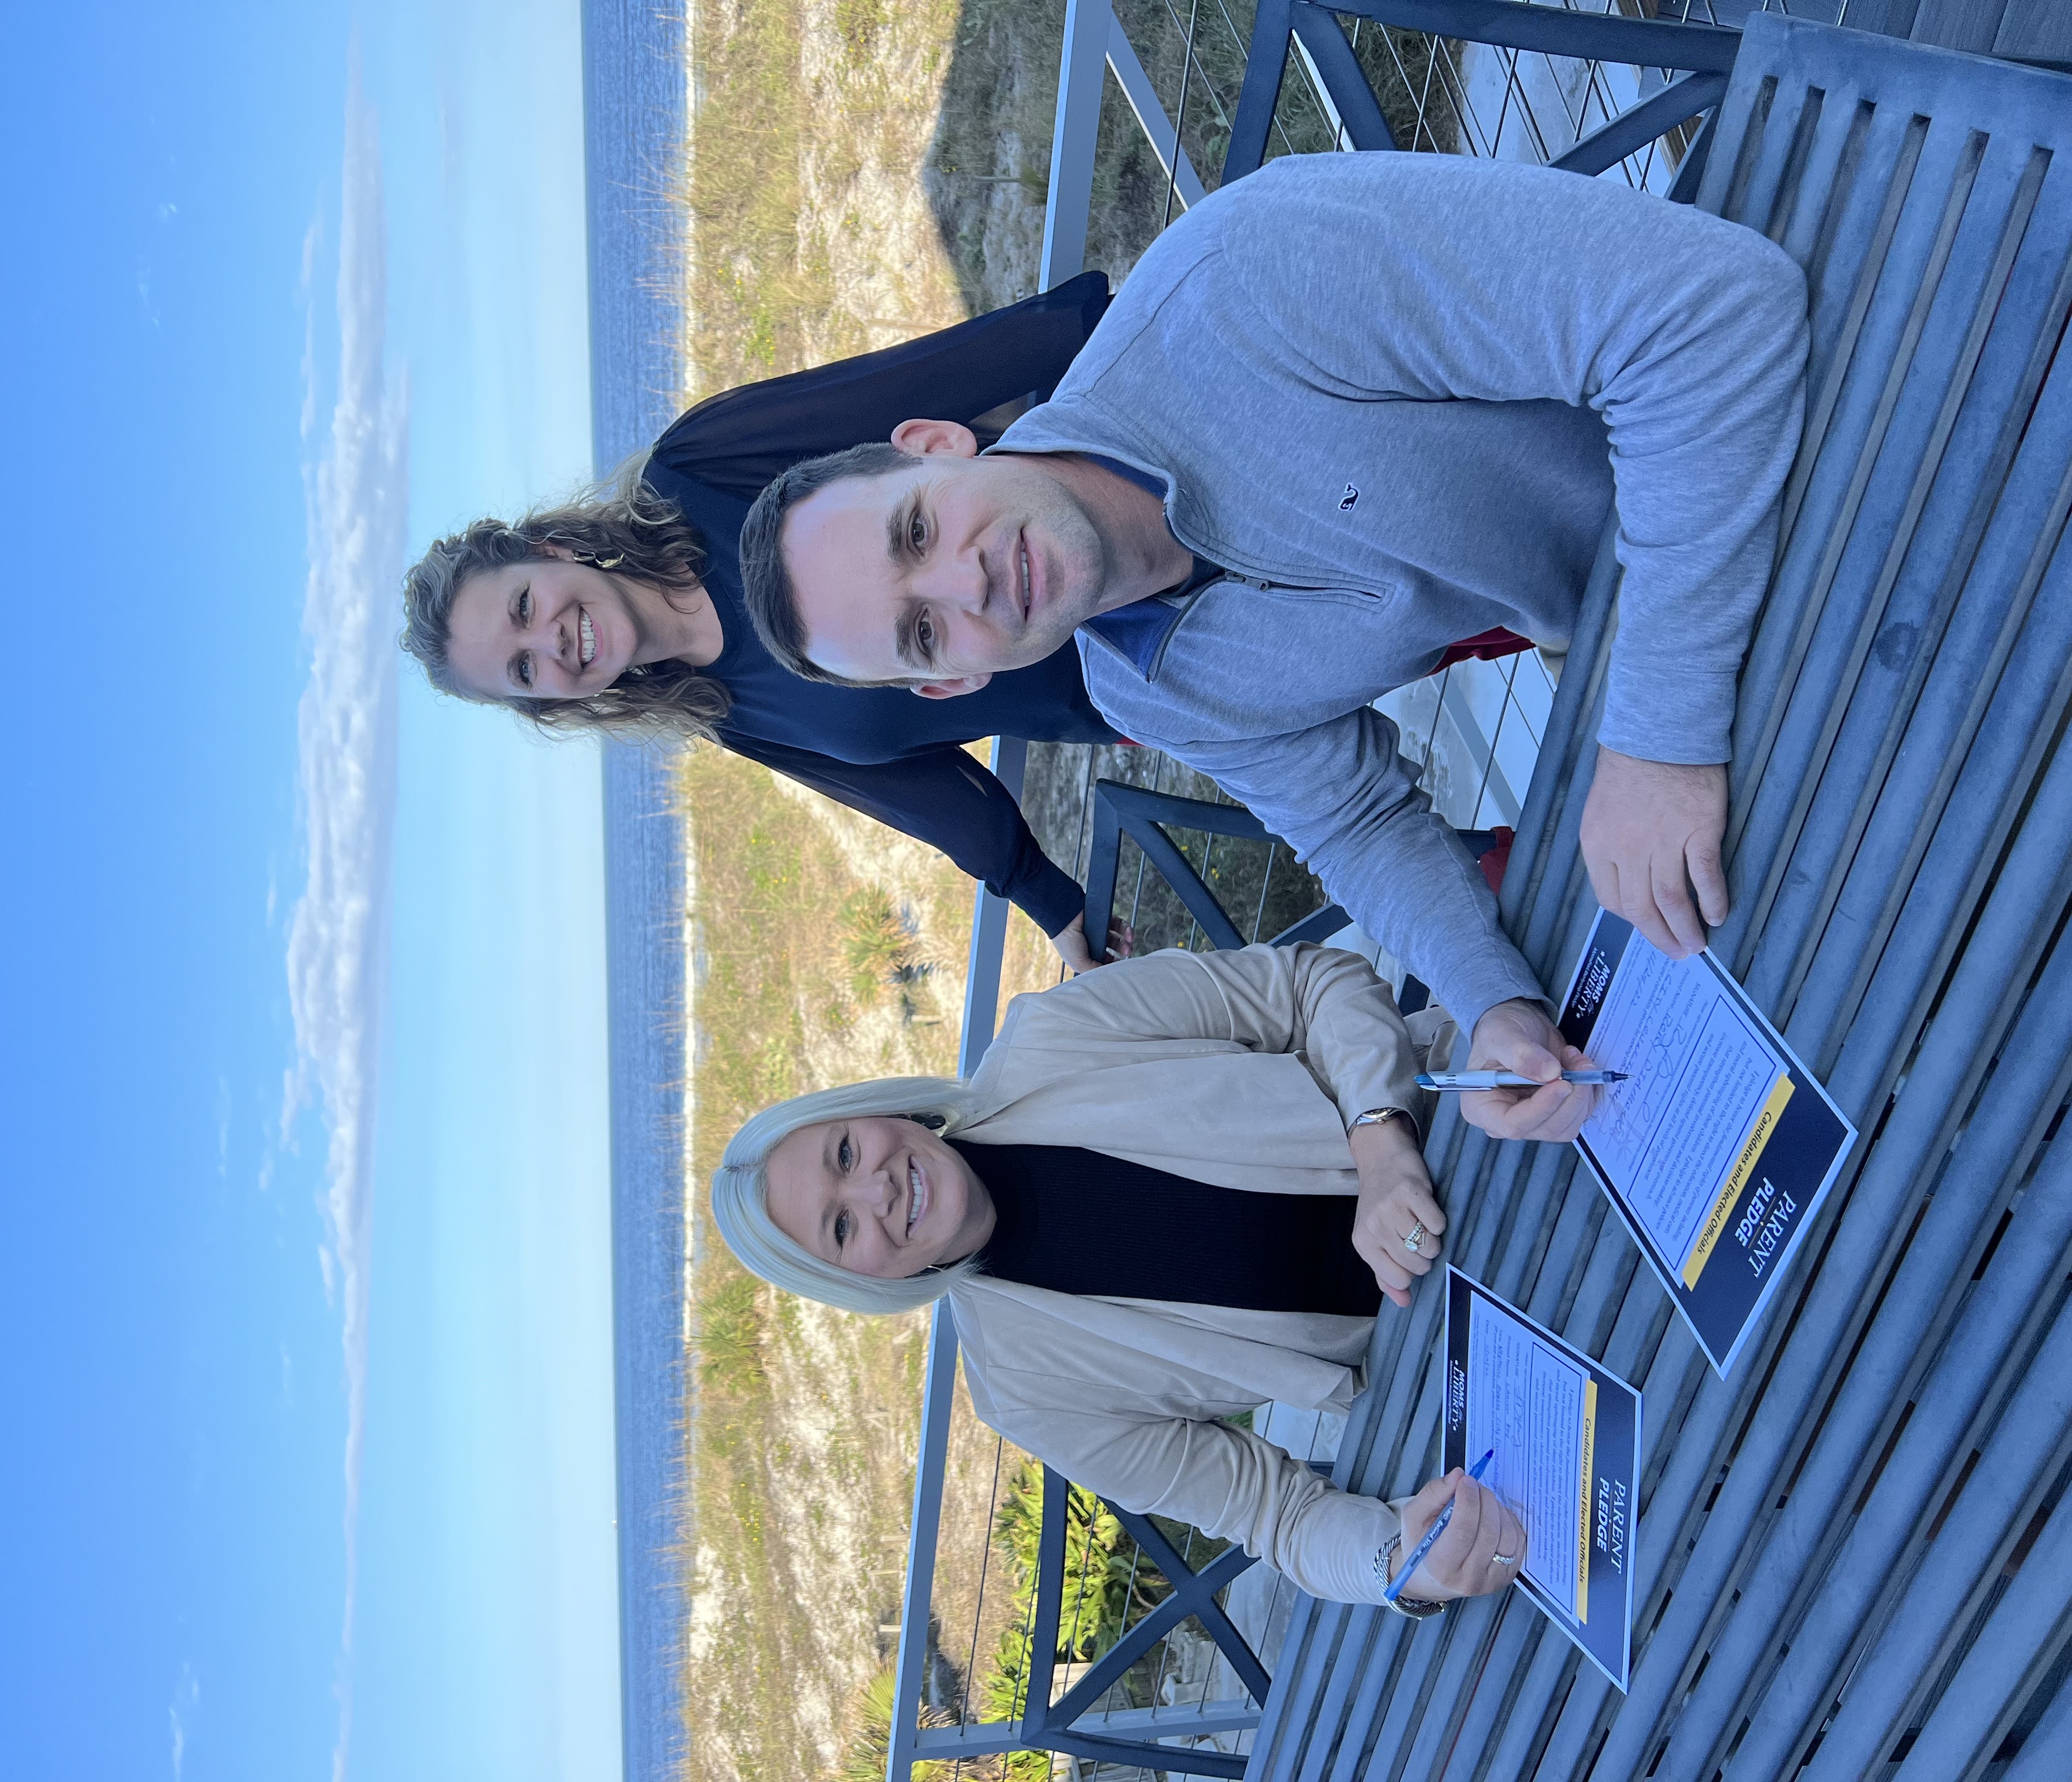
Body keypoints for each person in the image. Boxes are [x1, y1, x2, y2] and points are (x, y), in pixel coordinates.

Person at [736, 151, 1810, 1141]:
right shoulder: (1145, 688)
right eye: (923, 630)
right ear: (958, 681)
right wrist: (1492, 1005)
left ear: (934, 444)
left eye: (916, 532)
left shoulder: (1241, 280)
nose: (964, 581)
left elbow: (1717, 311)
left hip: (1799, 455)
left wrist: (1655, 740)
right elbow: (1356, 820)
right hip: (1696, 647)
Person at [709, 942, 1529, 1612]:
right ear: (860, 1283)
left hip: (1492, 1126)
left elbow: (1312, 984)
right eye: (841, 1227)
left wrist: (1380, 1141)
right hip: (1470, 1360)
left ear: (872, 1111)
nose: (876, 1190)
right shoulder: (1027, 1393)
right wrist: (1400, 1563)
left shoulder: (1054, 1034)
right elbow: (1274, 1515)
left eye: (845, 1152)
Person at [397, 278, 1136, 974]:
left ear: (549, 549)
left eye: (523, 607)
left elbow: (919, 383)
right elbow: (923, 794)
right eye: (524, 669)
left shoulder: (696, 470)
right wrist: (1051, 902)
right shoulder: (722, 716)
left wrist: (1120, 328)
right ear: (549, 703)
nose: (549, 642)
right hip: (1133, 685)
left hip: (1101, 515)